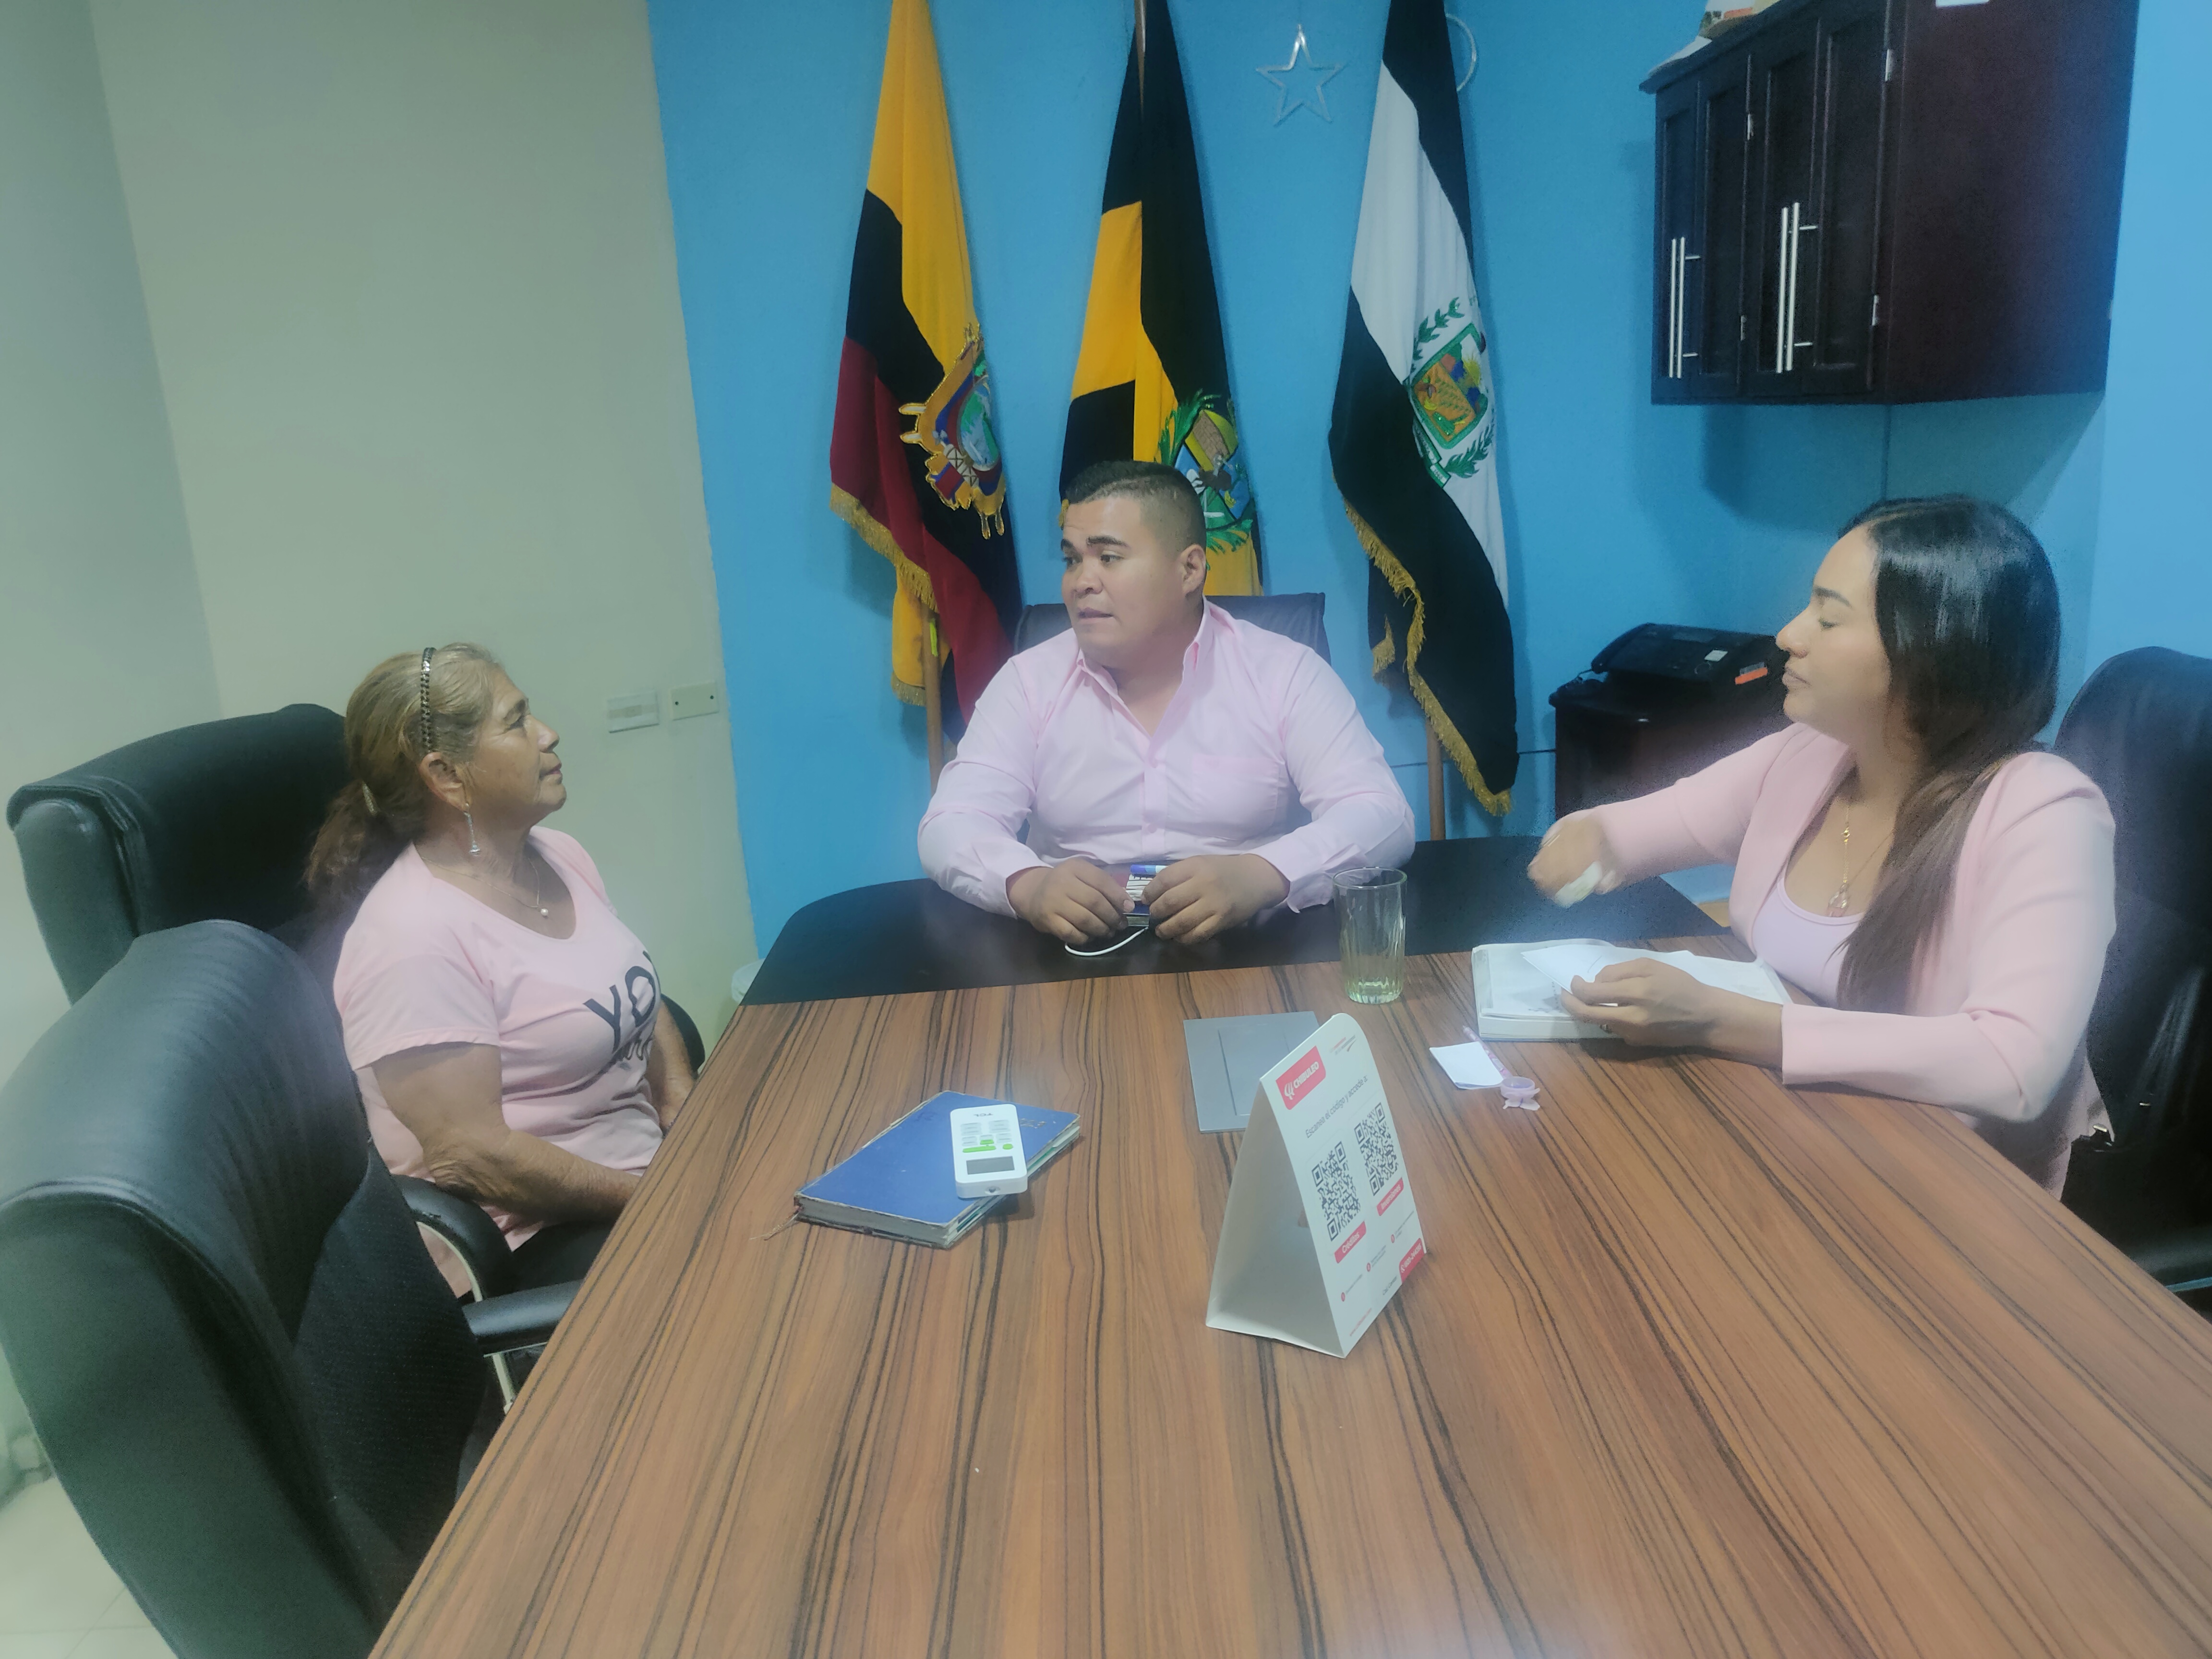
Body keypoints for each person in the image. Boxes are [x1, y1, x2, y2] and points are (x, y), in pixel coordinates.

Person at [1527, 496, 2114, 1190]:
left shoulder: (2045, 810)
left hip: (1953, 1185)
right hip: (1800, 1137)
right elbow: (1647, 827)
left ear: (1932, 650)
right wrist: (1589, 839)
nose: (1788, 635)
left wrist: (1720, 1021)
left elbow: (2013, 1066)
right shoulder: (1810, 755)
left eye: (1828, 618)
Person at [310, 643, 694, 1286]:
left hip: (646, 1182)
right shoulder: (411, 938)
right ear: (446, 776)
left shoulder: (558, 855)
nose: (548, 733)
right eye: (516, 722)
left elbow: (634, 993)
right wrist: (666, 1196)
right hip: (532, 1241)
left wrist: (683, 1106)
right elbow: (474, 1156)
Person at [919, 460, 1414, 945]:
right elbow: (951, 823)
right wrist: (1027, 886)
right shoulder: (1029, 682)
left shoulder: (1283, 672)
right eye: (1072, 560)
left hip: (1248, 943)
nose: (1081, 582)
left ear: (1189, 570)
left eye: (1108, 557)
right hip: (1072, 953)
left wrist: (1265, 874)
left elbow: (1382, 814)